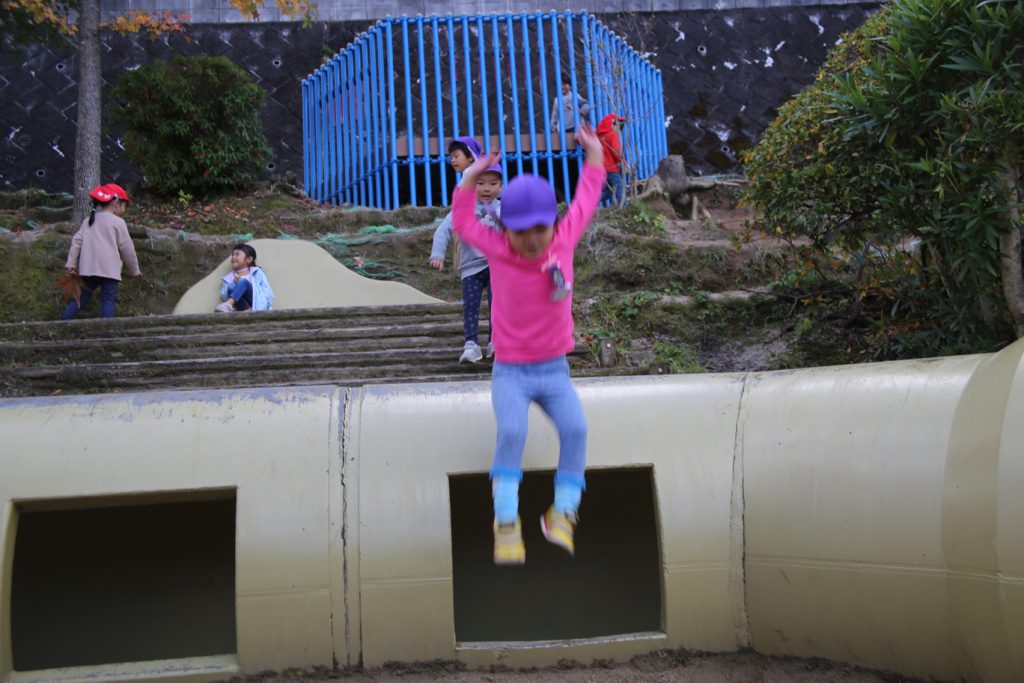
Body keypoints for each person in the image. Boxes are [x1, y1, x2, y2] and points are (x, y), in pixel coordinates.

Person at [452, 123, 605, 565]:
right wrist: (470, 176)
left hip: (554, 370)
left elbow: (587, 195)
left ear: (552, 223)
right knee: (513, 431)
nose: (533, 239)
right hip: (511, 372)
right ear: (506, 228)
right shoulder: (498, 248)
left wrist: (594, 153)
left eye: (540, 229)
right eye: (521, 231)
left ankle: (563, 513)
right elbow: (463, 220)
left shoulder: (564, 238)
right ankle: (505, 522)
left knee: (576, 430)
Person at [430, 162, 503, 362]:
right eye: (480, 183)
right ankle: (471, 345)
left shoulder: (504, 209)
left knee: (498, 304)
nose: (487, 188)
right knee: (471, 306)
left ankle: (495, 342)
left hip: (496, 265)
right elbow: (443, 230)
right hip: (471, 267)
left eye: (493, 183)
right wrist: (437, 254)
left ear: (501, 187)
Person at [61, 183, 142, 320]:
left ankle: (63, 321)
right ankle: (106, 328)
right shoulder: (118, 223)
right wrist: (135, 270)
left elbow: (76, 242)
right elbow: (127, 249)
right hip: (109, 271)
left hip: (89, 270)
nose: (124, 209)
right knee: (108, 300)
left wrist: (71, 264)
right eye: (124, 205)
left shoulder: (88, 221)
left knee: (81, 298)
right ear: (117, 203)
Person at [215, 243, 275, 312]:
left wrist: (266, 307)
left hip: (257, 304)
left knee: (243, 282)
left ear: (249, 259)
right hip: (242, 307)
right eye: (232, 255)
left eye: (237, 254)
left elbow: (267, 291)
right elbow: (224, 296)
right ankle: (244, 309)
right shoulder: (229, 278)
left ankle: (228, 304)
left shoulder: (257, 273)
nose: (233, 257)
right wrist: (235, 284)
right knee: (231, 286)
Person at [597, 113, 627, 205]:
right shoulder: (612, 135)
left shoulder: (600, 136)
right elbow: (616, 152)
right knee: (620, 188)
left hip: (602, 169)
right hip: (612, 168)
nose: (620, 130)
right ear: (612, 124)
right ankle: (623, 207)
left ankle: (589, 203)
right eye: (619, 126)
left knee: (608, 192)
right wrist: (624, 162)